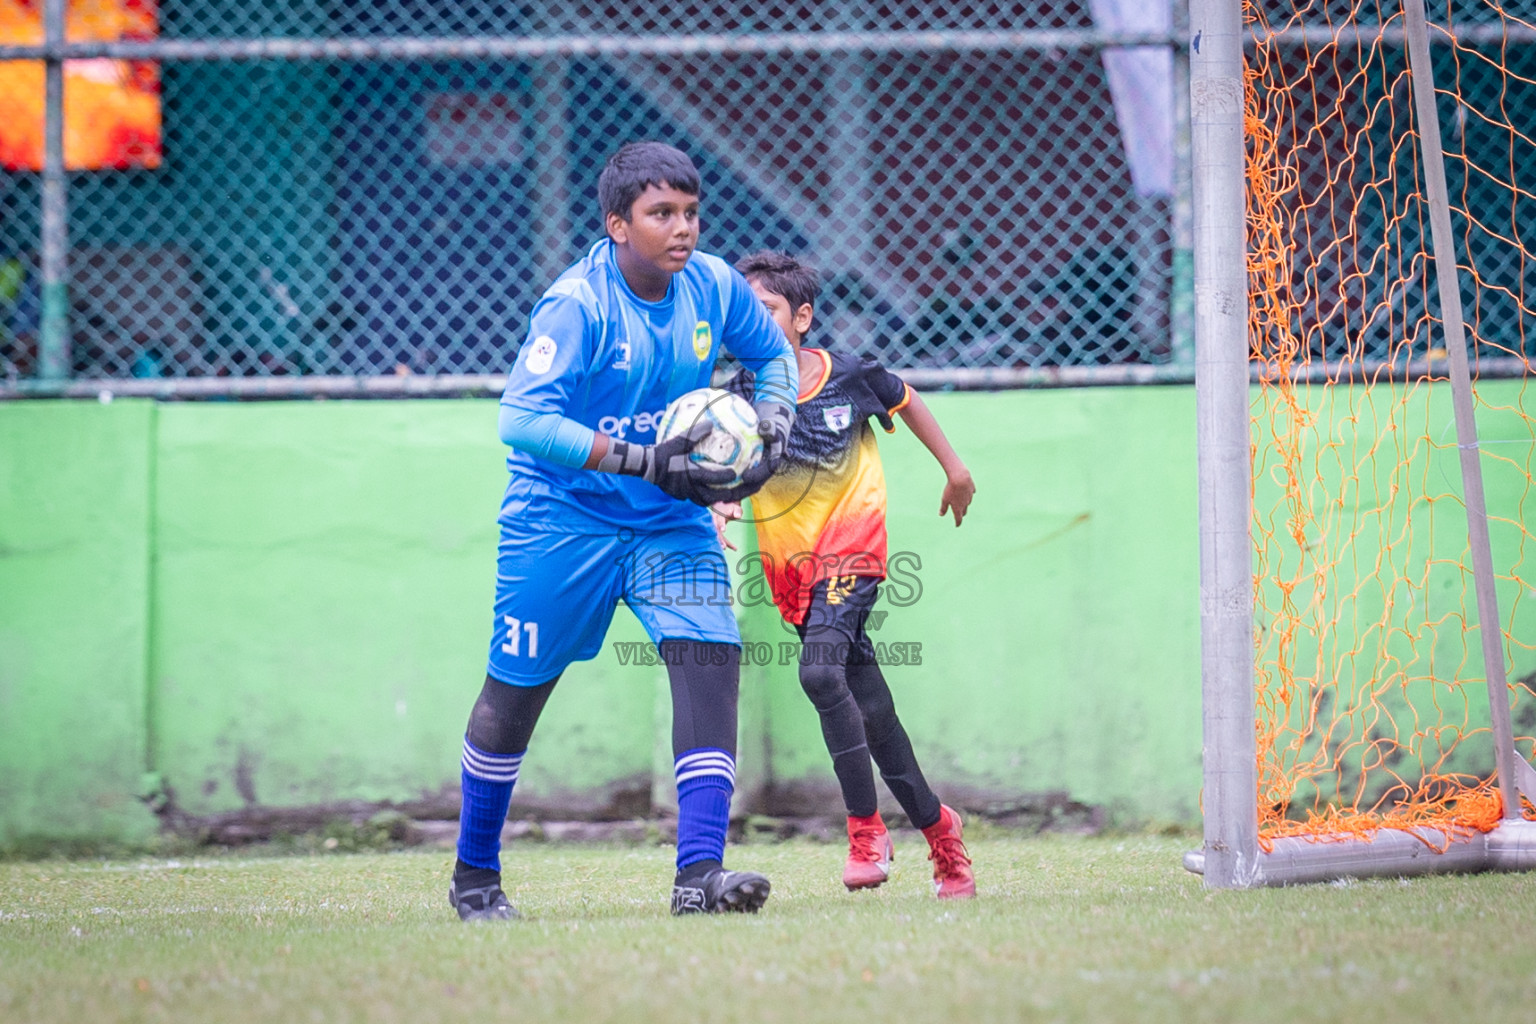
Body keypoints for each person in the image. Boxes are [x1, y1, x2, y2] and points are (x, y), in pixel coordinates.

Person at [449, 143, 798, 921]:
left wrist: (775, 416)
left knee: (711, 660)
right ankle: (474, 878)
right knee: (514, 697)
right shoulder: (577, 305)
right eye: (661, 214)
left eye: (691, 213)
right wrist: (641, 458)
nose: (683, 229)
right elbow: (522, 419)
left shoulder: (712, 285)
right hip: (561, 518)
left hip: (670, 520)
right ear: (617, 225)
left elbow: (774, 356)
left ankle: (698, 878)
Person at [717, 250, 978, 898]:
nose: (752, 320)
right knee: (871, 709)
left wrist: (955, 468)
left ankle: (865, 828)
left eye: (766, 309)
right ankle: (940, 829)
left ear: (801, 316)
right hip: (790, 571)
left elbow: (906, 398)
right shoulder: (738, 397)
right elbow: (729, 466)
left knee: (818, 673)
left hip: (853, 551)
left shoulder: (848, 376)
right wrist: (721, 503)